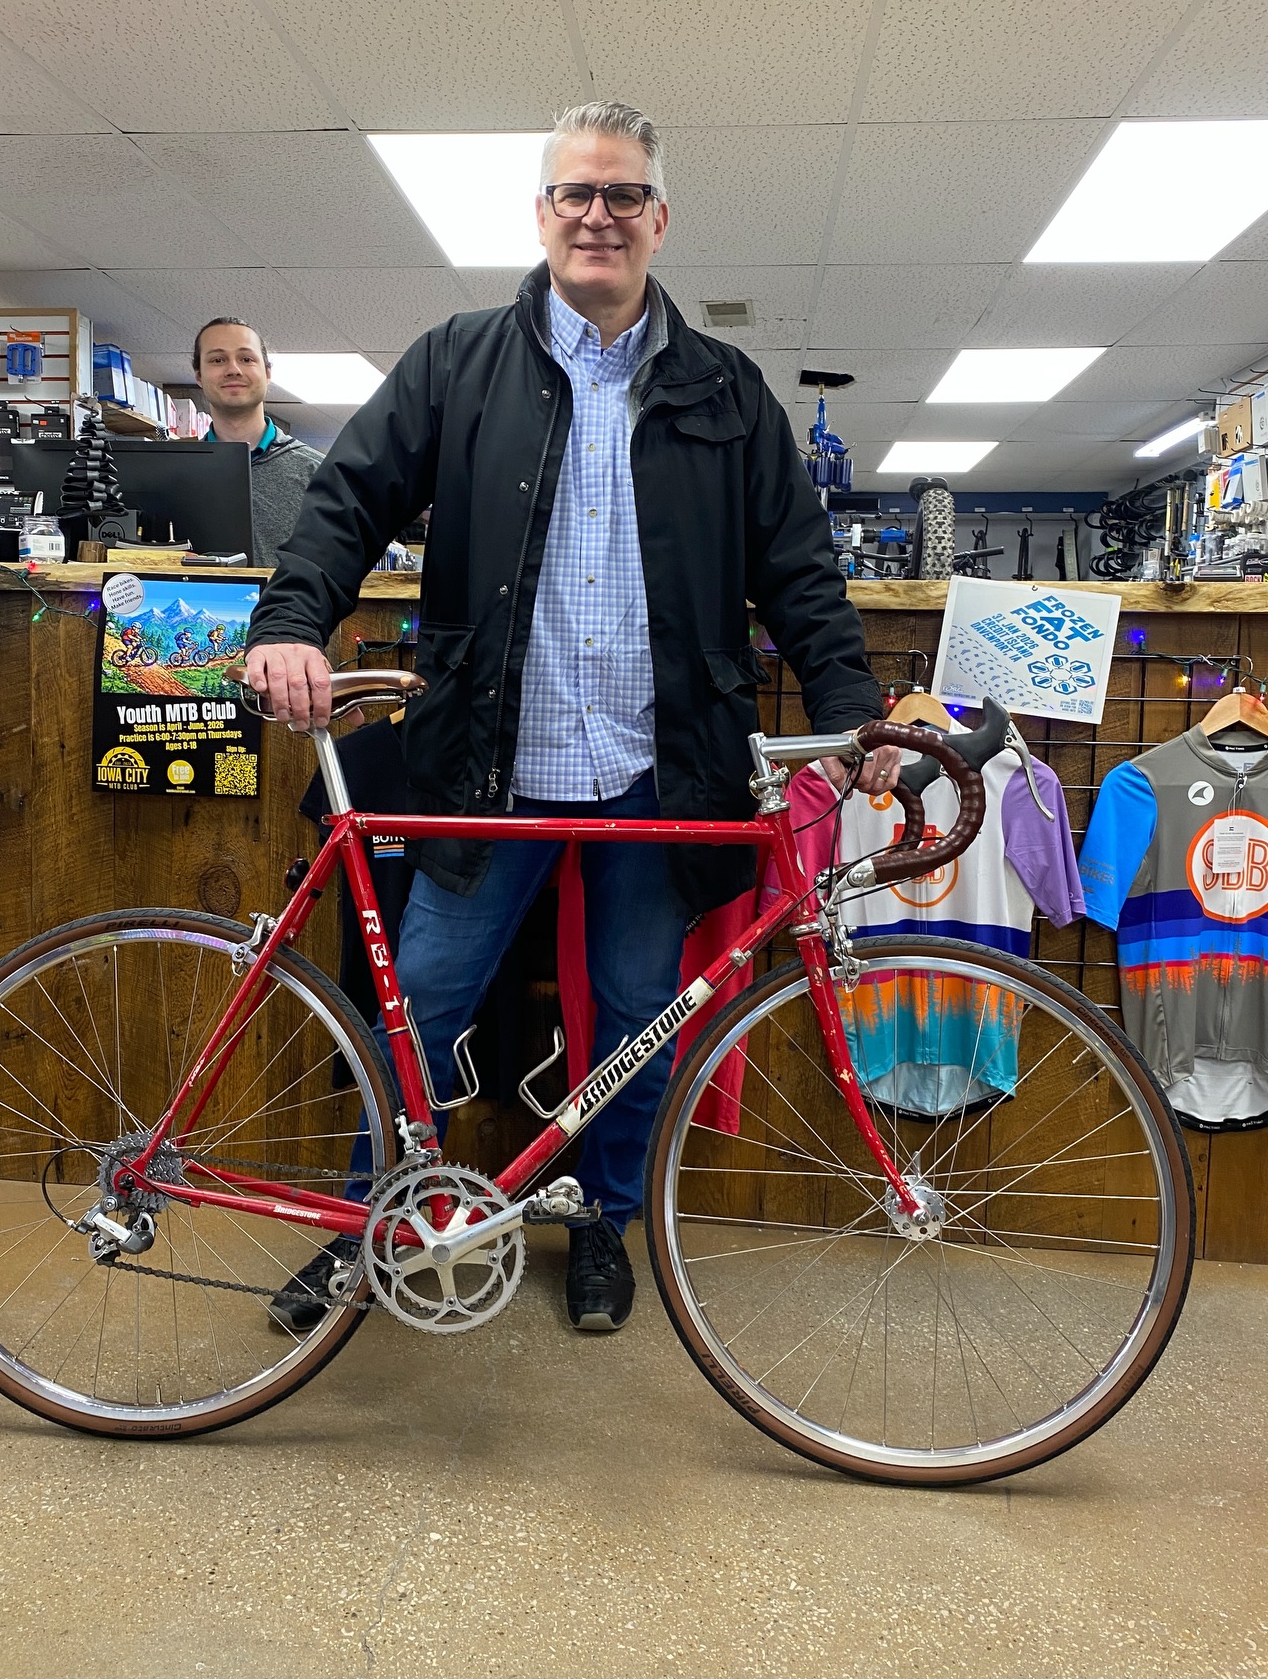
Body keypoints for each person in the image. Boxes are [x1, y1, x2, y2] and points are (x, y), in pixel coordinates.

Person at [245, 100, 899, 1334]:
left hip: (661, 779)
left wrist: (852, 707)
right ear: (543, 213)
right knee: (416, 1014)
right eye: (573, 194)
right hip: (488, 774)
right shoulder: (458, 361)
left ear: (658, 218)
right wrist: (291, 618)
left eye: (621, 195)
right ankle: (360, 1228)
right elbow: (346, 498)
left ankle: (602, 1225)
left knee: (636, 1028)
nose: (596, 214)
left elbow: (802, 571)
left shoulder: (726, 390)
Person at [192, 316, 323, 568]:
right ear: (199, 375)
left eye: (246, 359)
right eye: (217, 360)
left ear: (267, 372)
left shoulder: (319, 474)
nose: (233, 369)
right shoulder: (177, 473)